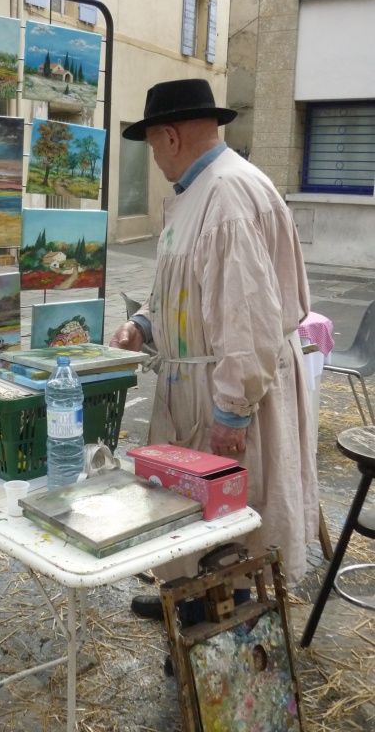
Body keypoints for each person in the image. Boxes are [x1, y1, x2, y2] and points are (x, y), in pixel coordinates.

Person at [111, 79, 319, 638]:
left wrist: (232, 409)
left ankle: (214, 632)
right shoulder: (198, 190)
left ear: (171, 136)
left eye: (153, 146)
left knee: (229, 511)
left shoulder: (227, 196)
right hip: (196, 380)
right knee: (186, 507)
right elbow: (187, 286)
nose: (154, 159)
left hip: (225, 387)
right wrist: (145, 324)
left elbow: (247, 316)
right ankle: (185, 595)